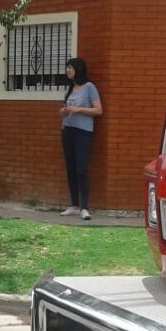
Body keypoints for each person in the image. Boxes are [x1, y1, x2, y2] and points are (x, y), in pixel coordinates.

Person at [59, 57, 102, 221]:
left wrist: (78, 109)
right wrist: (63, 112)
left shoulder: (89, 87)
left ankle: (85, 207)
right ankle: (74, 205)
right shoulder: (69, 89)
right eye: (66, 68)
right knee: (70, 168)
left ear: (78, 69)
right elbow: (64, 110)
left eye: (69, 67)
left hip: (83, 132)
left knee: (81, 169)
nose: (67, 70)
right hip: (68, 130)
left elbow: (98, 110)